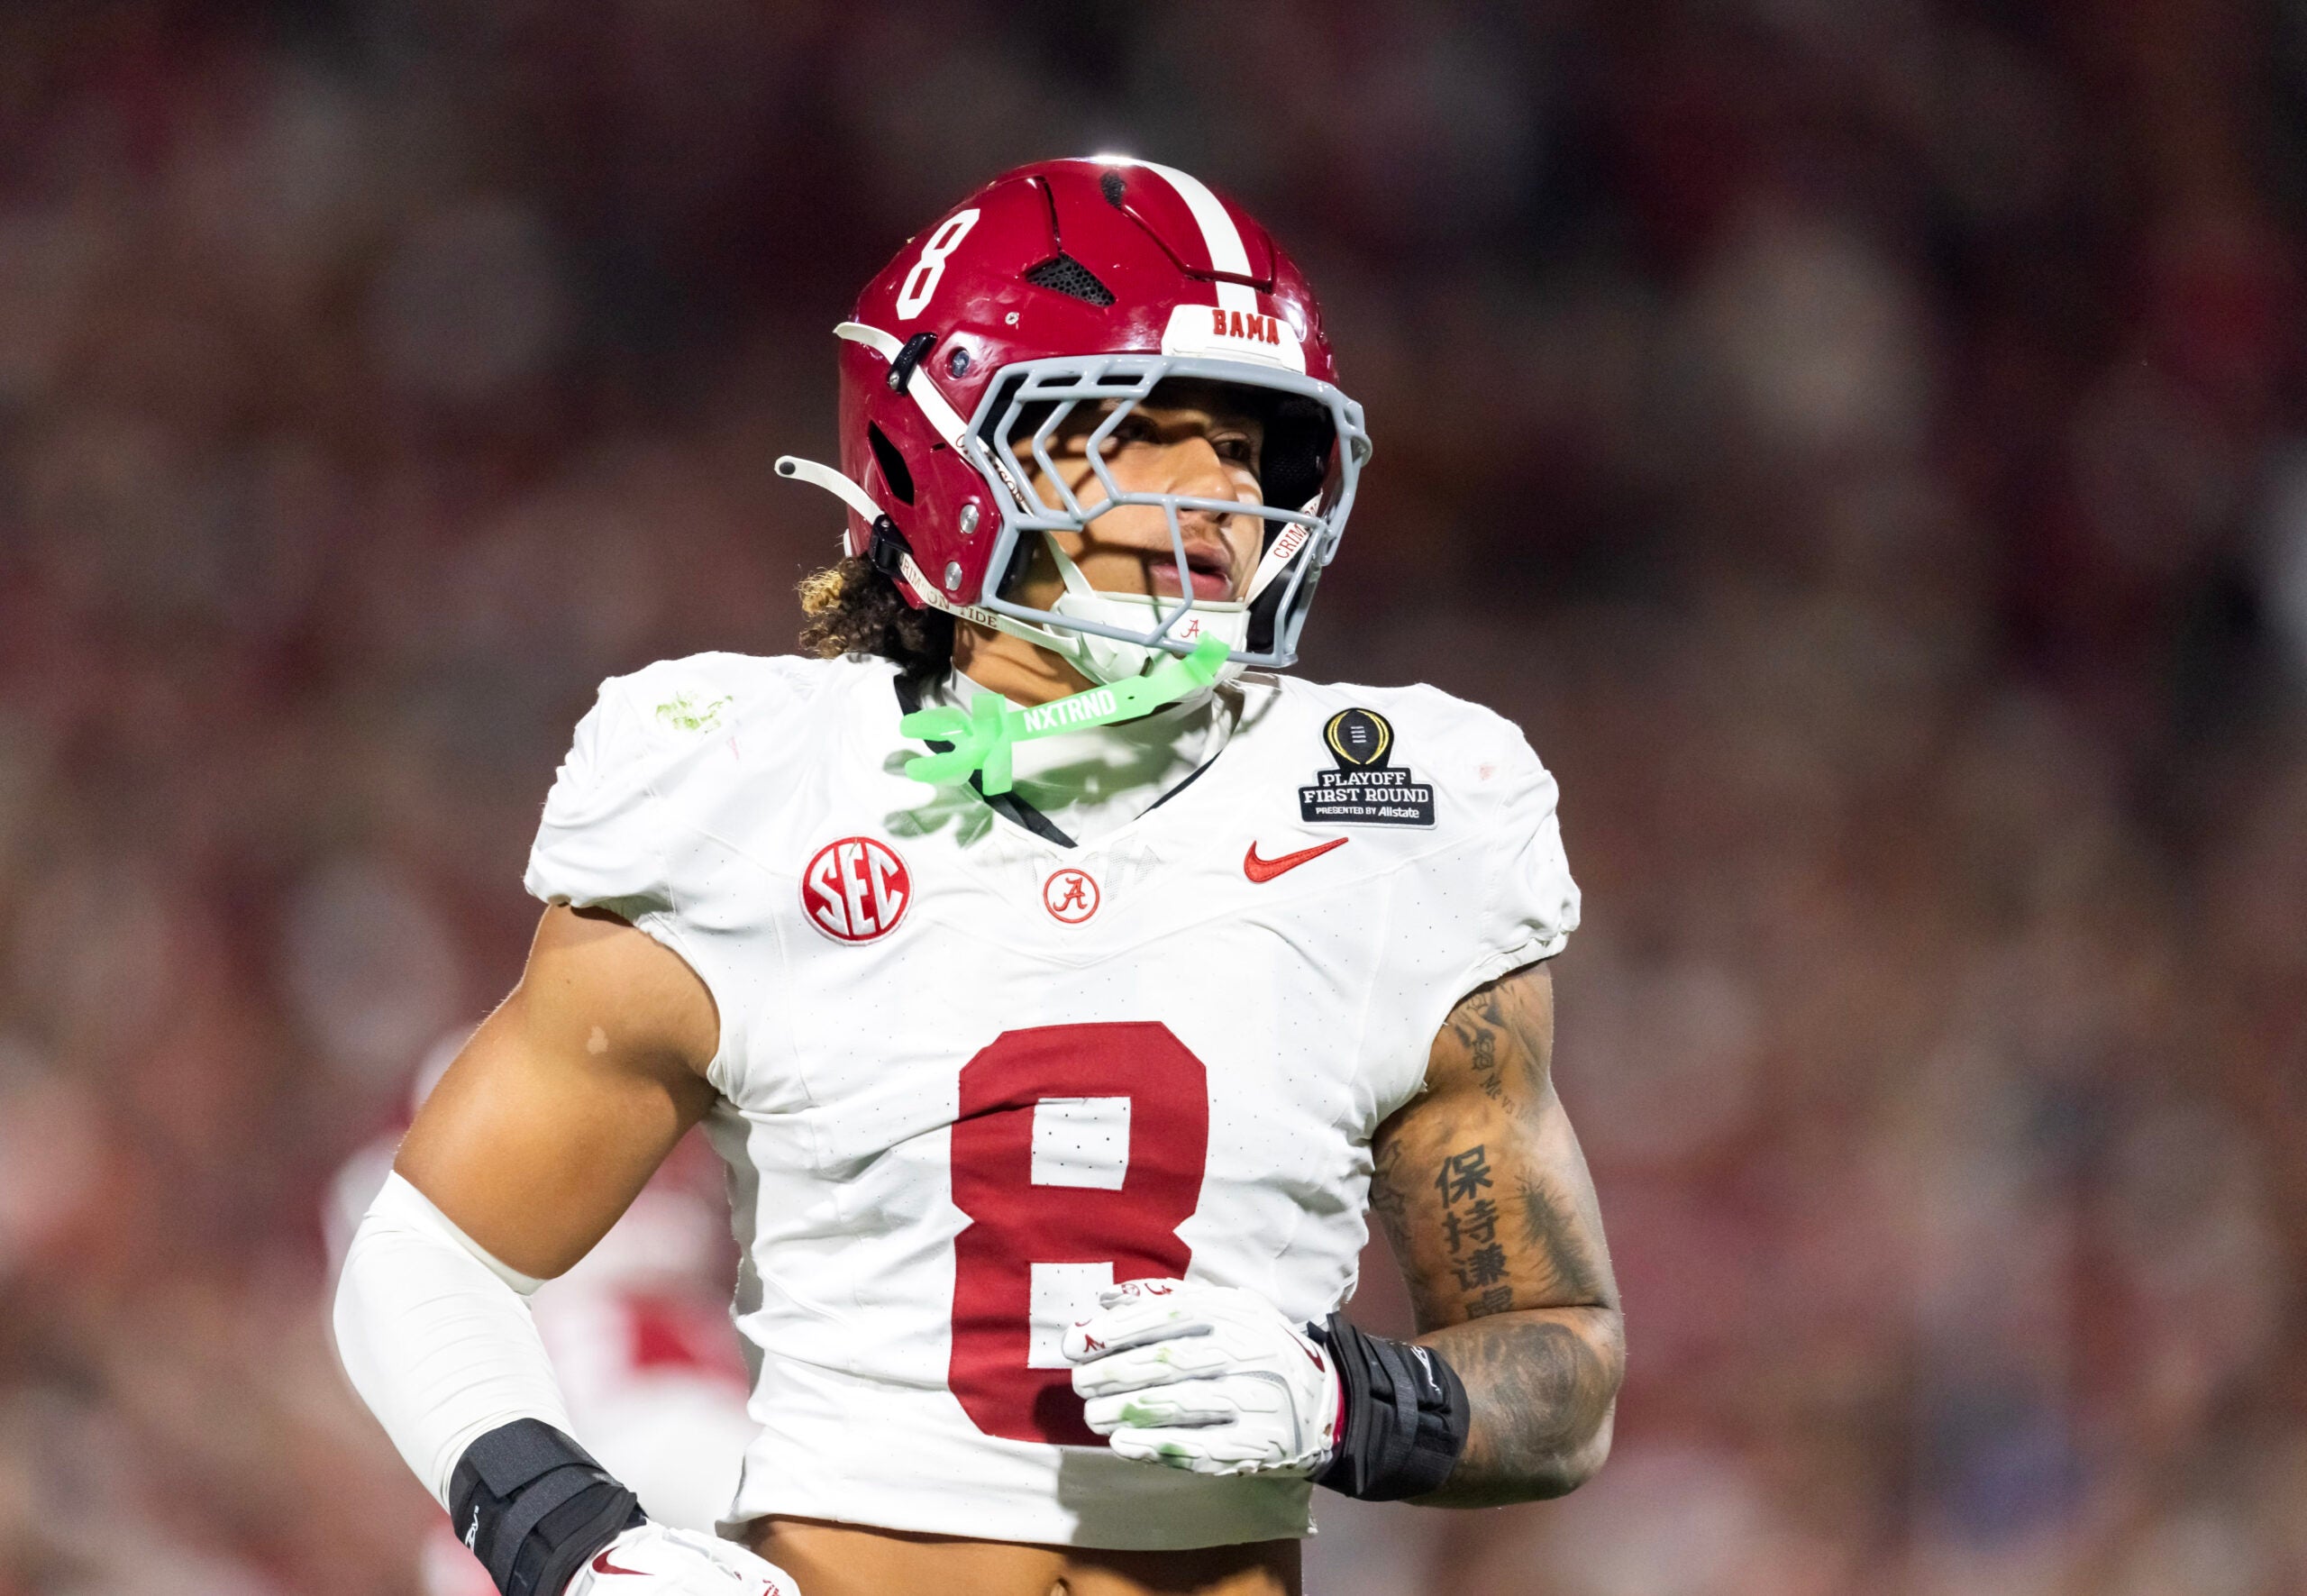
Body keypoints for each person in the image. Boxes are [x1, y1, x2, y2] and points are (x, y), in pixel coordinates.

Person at [333, 156, 1625, 1596]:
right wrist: (574, 1545)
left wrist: (1354, 1400)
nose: (1221, 494)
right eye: (1144, 432)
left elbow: (1563, 1362)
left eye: (1256, 448)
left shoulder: (1391, 816)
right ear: (935, 450)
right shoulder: (750, 789)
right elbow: (427, 1256)